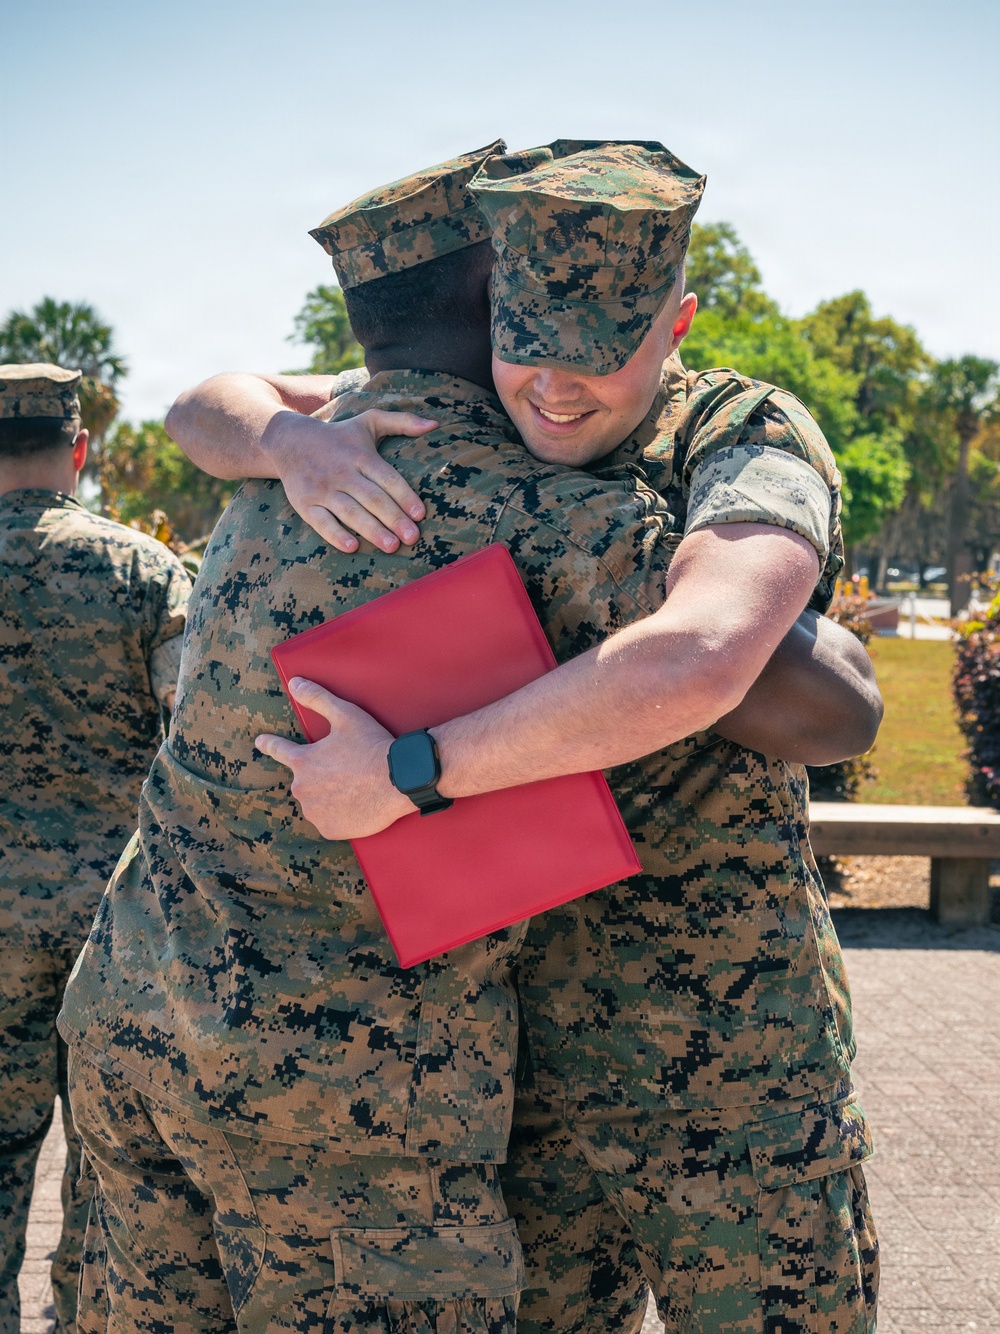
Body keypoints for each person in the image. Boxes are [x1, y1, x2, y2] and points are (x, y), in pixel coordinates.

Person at [162, 141, 879, 1332]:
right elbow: (202, 401)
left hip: (733, 1067)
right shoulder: (460, 405)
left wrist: (407, 770)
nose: (553, 391)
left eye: (597, 361)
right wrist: (294, 442)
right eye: (524, 350)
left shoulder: (738, 433)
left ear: (676, 322)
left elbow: (749, 667)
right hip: (524, 1080)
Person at [0, 363, 191, 1333]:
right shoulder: (143, 569)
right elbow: (199, 735)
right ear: (78, 451)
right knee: (105, 1167)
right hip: (108, 928)